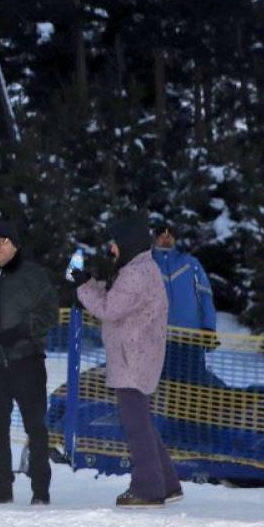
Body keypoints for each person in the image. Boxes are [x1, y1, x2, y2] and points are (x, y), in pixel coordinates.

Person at [72, 213, 180, 508]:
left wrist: (82, 285)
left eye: (115, 243)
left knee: (135, 426)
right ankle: (167, 483)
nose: (112, 249)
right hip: (136, 356)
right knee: (142, 422)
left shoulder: (135, 273)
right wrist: (89, 282)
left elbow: (109, 309)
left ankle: (148, 488)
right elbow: (114, 300)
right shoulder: (140, 267)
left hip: (132, 358)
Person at [0, 220, 57, 505]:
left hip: (26, 361)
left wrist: (23, 330)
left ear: (15, 245)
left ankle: (40, 490)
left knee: (36, 427)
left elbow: (49, 310)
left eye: (3, 240)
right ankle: (2, 485)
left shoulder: (33, 276)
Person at [152, 223, 223, 386]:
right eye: (162, 235)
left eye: (170, 235)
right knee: (163, 385)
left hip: (190, 338)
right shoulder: (148, 266)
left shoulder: (190, 264)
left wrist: (209, 328)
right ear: (155, 239)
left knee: (193, 383)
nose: (166, 238)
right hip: (159, 339)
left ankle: (227, 400)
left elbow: (205, 296)